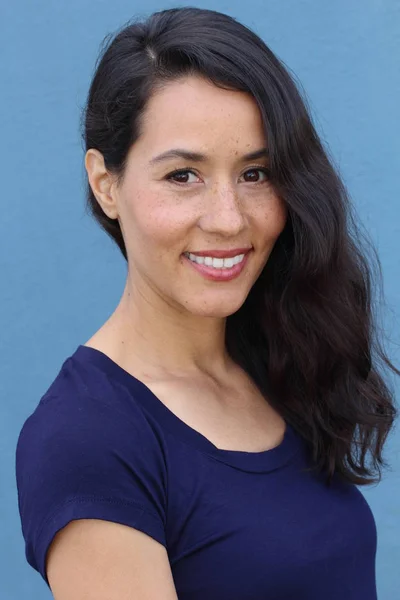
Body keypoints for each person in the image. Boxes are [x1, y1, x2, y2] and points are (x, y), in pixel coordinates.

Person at [15, 6, 398, 600]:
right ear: (105, 183)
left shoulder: (275, 361)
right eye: (183, 176)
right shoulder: (88, 438)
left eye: (256, 174)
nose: (228, 220)